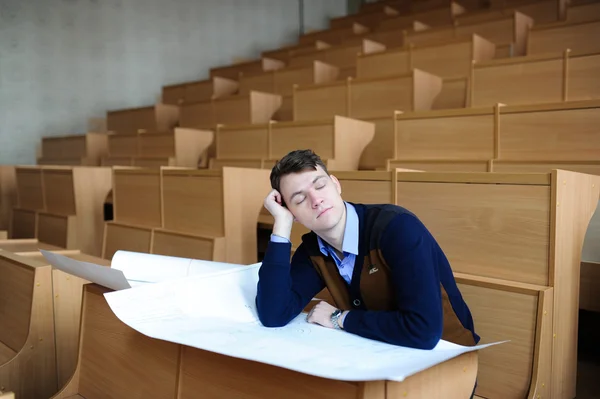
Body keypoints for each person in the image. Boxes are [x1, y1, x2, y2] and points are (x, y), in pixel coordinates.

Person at [256, 149, 479, 352]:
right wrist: (282, 225)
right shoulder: (312, 250)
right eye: (300, 199)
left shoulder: (397, 228)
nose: (316, 200)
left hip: (446, 356)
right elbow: (273, 314)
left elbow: (423, 331)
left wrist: (339, 318)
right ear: (292, 213)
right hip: (380, 354)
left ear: (336, 184)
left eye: (320, 185)